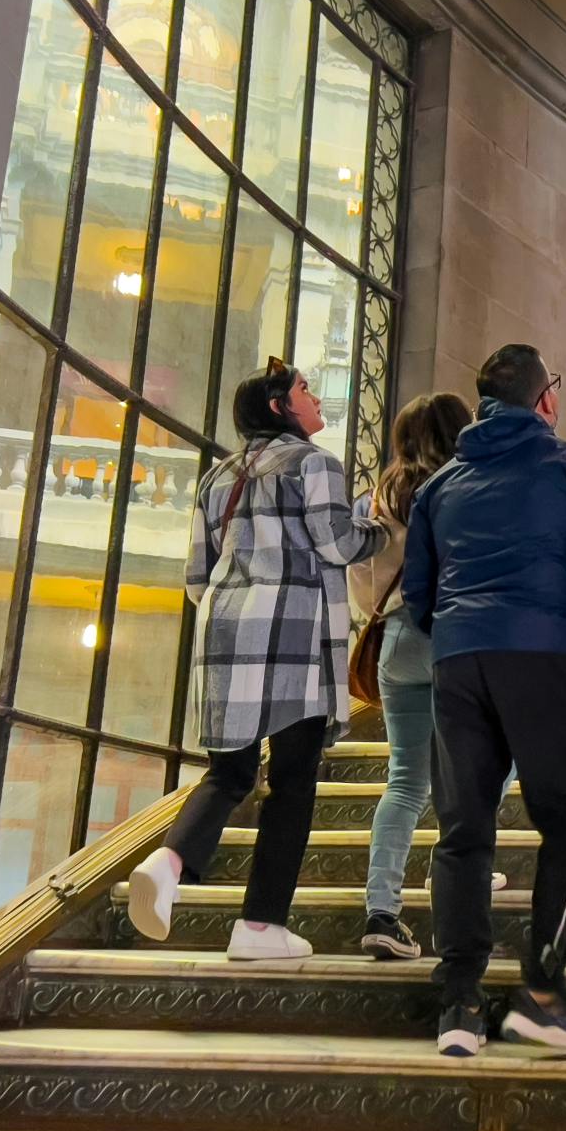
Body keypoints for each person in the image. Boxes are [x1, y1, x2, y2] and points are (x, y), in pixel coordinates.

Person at [405, 344, 566, 1056]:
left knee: (464, 830)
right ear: (545, 399)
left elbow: (419, 593)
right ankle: (541, 992)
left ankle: (459, 1005)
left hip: (457, 660)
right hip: (541, 652)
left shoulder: (439, 488)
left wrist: (460, 638)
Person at [125, 358, 388, 961]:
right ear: (279, 406)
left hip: (223, 629)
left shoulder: (217, 477)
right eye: (303, 389)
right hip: (292, 630)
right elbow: (338, 542)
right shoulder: (315, 464)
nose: (314, 396)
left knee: (230, 773)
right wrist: (374, 526)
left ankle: (169, 861)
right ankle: (260, 926)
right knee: (293, 780)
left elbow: (196, 575)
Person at [346, 392, 508, 961]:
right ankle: (462, 867)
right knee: (493, 760)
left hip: (395, 642)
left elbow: (363, 580)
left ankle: (381, 911)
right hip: (453, 638)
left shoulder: (380, 494)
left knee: (406, 780)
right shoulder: (465, 485)